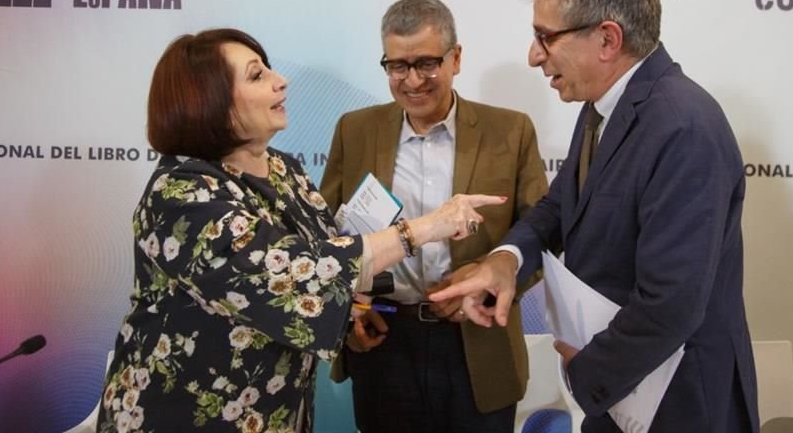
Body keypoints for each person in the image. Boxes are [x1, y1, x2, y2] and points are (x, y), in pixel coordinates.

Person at [97, 28, 502, 433]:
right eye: (257, 76)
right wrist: (425, 228)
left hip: (275, 411)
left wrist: (356, 310)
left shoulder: (282, 167)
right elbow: (291, 272)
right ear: (209, 100)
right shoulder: (183, 192)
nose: (280, 81)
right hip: (187, 413)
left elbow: (329, 248)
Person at [431, 0, 761, 433]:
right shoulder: (602, 107)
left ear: (607, 39)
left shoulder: (682, 127)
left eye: (545, 37)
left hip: (679, 406)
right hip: (625, 394)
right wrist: (506, 260)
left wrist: (583, 371)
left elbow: (671, 303)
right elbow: (559, 207)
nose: (533, 56)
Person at [320, 0, 548, 433]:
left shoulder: (511, 131)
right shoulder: (355, 130)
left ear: (455, 58)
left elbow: (539, 232)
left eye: (426, 63)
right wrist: (350, 309)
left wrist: (488, 284)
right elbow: (329, 236)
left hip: (478, 344)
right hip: (384, 339)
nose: (412, 81)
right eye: (397, 66)